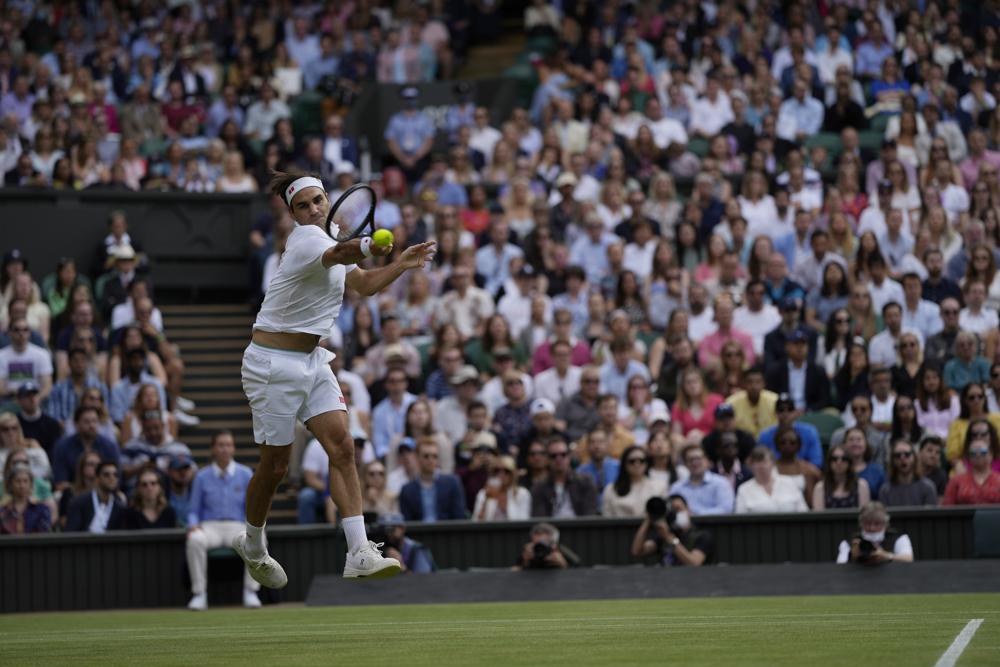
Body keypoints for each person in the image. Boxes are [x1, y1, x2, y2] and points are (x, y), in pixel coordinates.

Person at [234, 170, 435, 585]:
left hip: (312, 361)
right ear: (293, 214)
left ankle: (359, 551)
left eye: (317, 201)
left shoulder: (329, 237)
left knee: (343, 447)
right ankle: (252, 543)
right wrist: (368, 243)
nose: (312, 210)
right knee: (275, 467)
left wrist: (400, 264)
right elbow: (342, 256)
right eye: (302, 205)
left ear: (328, 200)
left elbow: (363, 284)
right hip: (271, 364)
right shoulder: (307, 239)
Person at [185, 431, 260, 611]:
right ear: (213, 449)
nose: (224, 449)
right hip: (210, 527)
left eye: (228, 445)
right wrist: (192, 524)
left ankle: (251, 592)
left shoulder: (245, 473)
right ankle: (199, 594)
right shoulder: (201, 476)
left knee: (259, 538)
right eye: (220, 445)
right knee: (195, 540)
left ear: (233, 448)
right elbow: (193, 509)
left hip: (238, 527)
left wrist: (254, 526)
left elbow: (252, 506)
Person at [630, 494, 712, 566]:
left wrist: (669, 538)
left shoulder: (702, 536)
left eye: (678, 509)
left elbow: (694, 563)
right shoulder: (663, 535)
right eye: (672, 510)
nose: (675, 514)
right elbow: (637, 551)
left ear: (688, 510)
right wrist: (648, 519)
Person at [51, 406, 120, 490]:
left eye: (94, 421)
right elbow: (60, 482)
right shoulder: (63, 446)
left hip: (104, 491)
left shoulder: (109, 446)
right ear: (76, 424)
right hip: (71, 493)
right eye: (86, 422)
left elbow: (117, 478)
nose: (91, 425)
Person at [398, 438, 466, 522]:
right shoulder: (407, 490)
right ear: (417, 457)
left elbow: (459, 518)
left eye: (435, 456)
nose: (431, 460)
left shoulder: (452, 483)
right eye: (426, 456)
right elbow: (407, 523)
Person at [530, 436, 598, 518]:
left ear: (569, 456)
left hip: (581, 529)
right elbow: (539, 519)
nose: (559, 459)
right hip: (550, 529)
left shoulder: (585, 482)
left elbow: (590, 516)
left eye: (563, 454)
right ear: (547, 459)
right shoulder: (539, 487)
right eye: (553, 456)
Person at [757, 394, 824, 469]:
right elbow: (760, 462)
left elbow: (816, 462)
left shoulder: (810, 432)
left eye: (790, 409)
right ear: (775, 413)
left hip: (803, 475)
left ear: (795, 412)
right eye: (781, 410)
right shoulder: (765, 435)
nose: (785, 413)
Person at [735, 446, 809, 513]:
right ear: (751, 466)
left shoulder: (790, 483)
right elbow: (740, 519)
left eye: (764, 461)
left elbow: (803, 511)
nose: (761, 466)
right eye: (757, 462)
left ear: (773, 463)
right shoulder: (743, 489)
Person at [836, 501, 914, 564]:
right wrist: (851, 556)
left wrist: (887, 556)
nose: (872, 528)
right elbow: (840, 566)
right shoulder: (849, 542)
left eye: (877, 523)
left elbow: (909, 559)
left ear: (885, 523)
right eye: (867, 523)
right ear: (861, 523)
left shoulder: (899, 538)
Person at [601, 446, 668, 518]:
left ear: (647, 463)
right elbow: (606, 518)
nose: (637, 464)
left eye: (641, 460)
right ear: (624, 464)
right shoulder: (611, 489)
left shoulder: (659, 487)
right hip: (619, 528)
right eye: (632, 461)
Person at [668, 444, 734, 515]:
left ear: (706, 461)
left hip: (716, 525)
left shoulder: (721, 483)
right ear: (685, 463)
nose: (695, 462)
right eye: (691, 459)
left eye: (698, 458)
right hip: (685, 525)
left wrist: (695, 515)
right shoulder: (677, 487)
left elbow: (726, 509)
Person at [65, 460, 126, 533]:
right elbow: (71, 533)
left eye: (115, 475)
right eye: (106, 475)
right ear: (97, 478)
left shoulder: (120, 507)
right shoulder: (79, 503)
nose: (111, 478)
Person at [943, 432, 1000, 505]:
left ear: (991, 454)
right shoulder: (956, 481)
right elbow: (947, 508)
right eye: (973, 452)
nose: (978, 455)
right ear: (968, 457)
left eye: (983, 451)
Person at [878, 439, 938, 507]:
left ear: (914, 457)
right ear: (893, 460)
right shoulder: (885, 491)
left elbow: (931, 516)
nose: (902, 458)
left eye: (907, 454)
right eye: (898, 455)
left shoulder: (927, 487)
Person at [370, 513, 435, 574]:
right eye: (383, 530)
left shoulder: (415, 550)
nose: (388, 534)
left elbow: (424, 581)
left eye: (391, 529)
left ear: (402, 529)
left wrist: (402, 567)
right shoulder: (377, 550)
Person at [813, 444, 871, 510]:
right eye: (834, 459)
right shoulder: (820, 487)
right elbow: (819, 518)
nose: (839, 462)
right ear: (829, 462)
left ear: (849, 462)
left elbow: (864, 516)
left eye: (844, 459)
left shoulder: (861, 485)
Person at [472, 455, 531, 521]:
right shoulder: (483, 493)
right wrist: (486, 499)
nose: (501, 474)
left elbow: (524, 520)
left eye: (506, 471)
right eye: (496, 470)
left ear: (512, 474)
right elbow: (477, 522)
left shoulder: (522, 493)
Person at [725, 366, 777, 438]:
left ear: (764, 384)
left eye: (758, 382)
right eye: (750, 382)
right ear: (743, 384)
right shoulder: (731, 403)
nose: (754, 386)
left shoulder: (774, 401)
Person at [0, 463, 52, 534]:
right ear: (11, 484)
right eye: (18, 481)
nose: (22, 485)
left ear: (31, 484)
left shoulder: (41, 509)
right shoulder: (3, 511)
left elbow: (43, 533)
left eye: (25, 481)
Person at [121, 464, 178, 529]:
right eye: (144, 485)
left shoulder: (169, 512)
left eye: (153, 483)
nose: (149, 488)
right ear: (138, 489)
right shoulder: (130, 514)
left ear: (159, 487)